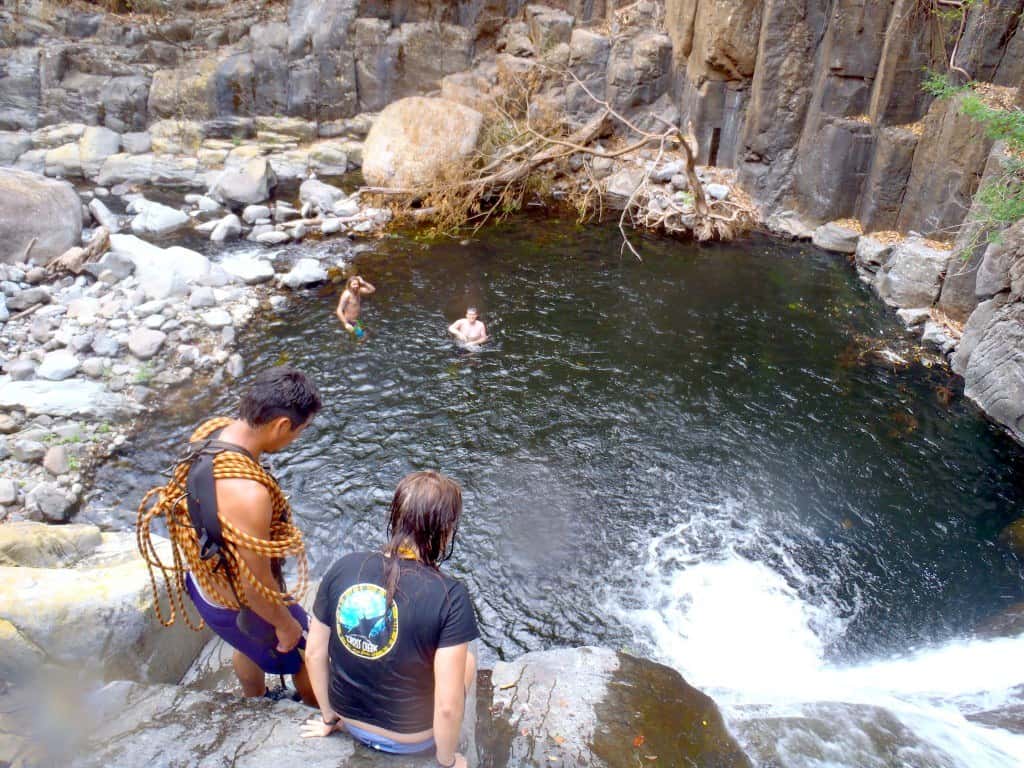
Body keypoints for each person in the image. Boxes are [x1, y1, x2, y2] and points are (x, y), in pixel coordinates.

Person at [137, 367, 322, 705]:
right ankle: (310, 710)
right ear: (282, 425)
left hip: (203, 584)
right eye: (300, 431)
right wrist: (285, 625)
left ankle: (254, 700)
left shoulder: (209, 436)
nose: (296, 438)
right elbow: (254, 585)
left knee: (244, 644)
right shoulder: (250, 495)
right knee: (310, 650)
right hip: (239, 604)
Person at [300, 471, 478, 768]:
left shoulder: (343, 567)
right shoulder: (451, 596)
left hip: (350, 720)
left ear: (395, 517)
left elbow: (315, 653)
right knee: (468, 662)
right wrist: (447, 760)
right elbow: (447, 707)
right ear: (445, 532)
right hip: (414, 738)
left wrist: (329, 718)